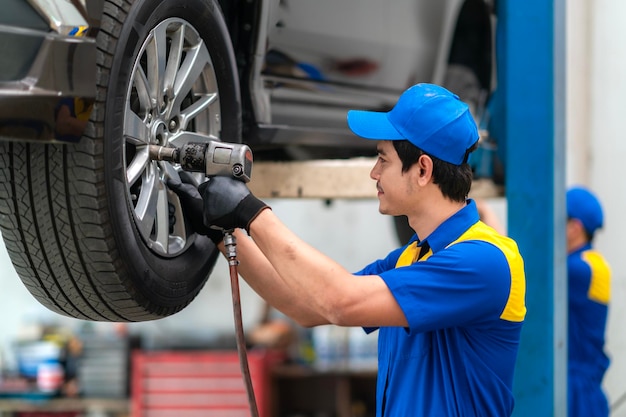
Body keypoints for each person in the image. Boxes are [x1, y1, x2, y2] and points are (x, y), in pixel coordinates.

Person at [168, 83, 527, 416]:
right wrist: (220, 231)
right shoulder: (410, 259)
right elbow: (306, 306)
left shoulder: (484, 261)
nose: (374, 173)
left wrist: (251, 212)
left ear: (422, 169)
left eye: (382, 159)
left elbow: (340, 302)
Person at [566, 186, 611, 417]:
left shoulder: (578, 269)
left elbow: (516, 267)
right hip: (584, 388)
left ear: (575, 228)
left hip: (576, 393)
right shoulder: (592, 262)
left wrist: (485, 211)